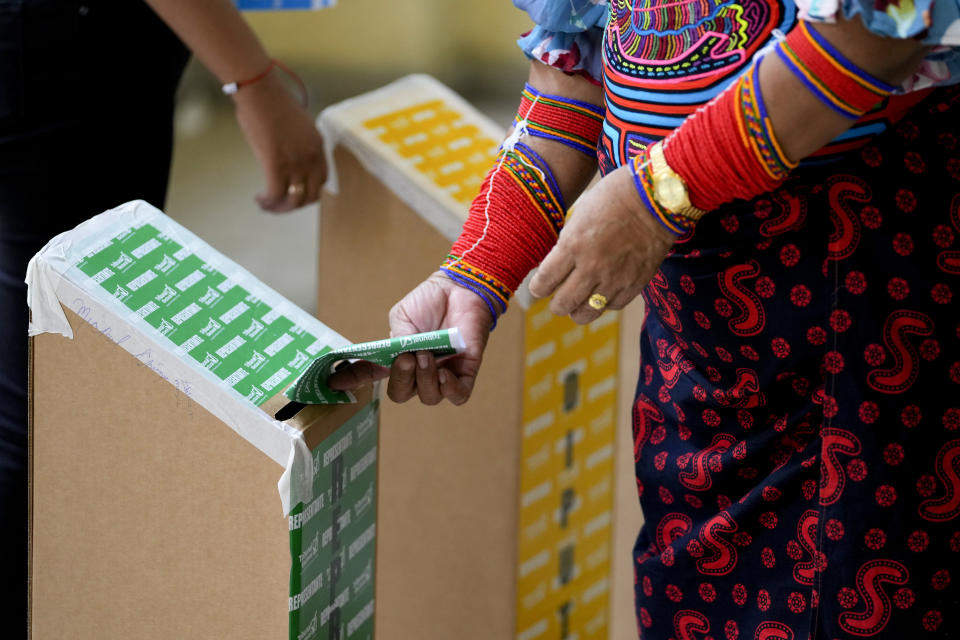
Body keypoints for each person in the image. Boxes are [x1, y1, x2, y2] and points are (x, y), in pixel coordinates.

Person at [331, 0, 960, 637]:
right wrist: (475, 271)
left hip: (860, 306)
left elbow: (875, 38)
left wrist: (658, 195)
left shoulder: (661, 201)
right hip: (698, 347)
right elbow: (570, 84)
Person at [0, 0, 325, 633]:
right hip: (66, 56)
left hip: (70, 53)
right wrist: (253, 80)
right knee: (50, 415)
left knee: (44, 395)